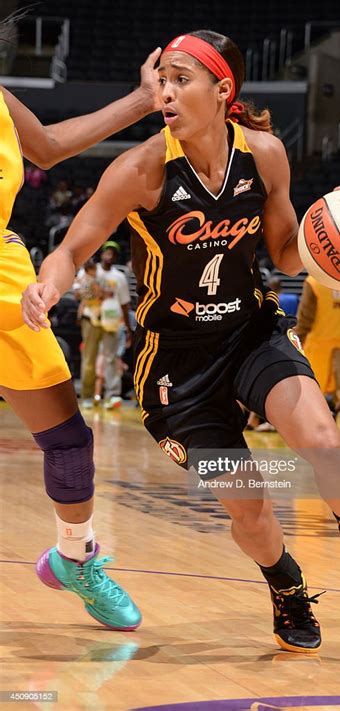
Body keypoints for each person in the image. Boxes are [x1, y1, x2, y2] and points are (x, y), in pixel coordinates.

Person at [22, 30, 340, 654]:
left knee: (324, 441)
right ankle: (287, 584)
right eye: (161, 79)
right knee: (250, 504)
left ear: (223, 91)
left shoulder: (266, 155)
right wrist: (47, 288)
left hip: (251, 332)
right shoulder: (140, 170)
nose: (164, 91)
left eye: (180, 79)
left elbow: (286, 251)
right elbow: (73, 249)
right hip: (175, 365)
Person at [0, 33, 163, 631]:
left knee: (68, 440)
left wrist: (145, 99)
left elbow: (46, 146)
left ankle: (75, 557)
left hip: (5, 275)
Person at [295, 279, 340, 445]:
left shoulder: (315, 282)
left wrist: (295, 339)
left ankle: (315, 432)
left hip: (318, 345)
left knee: (312, 391)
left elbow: (305, 318)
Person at [75, 241, 132, 409]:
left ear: (116, 257)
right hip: (91, 318)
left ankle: (113, 396)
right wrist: (94, 291)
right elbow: (78, 292)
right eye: (107, 251)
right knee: (89, 359)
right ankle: (86, 396)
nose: (110, 255)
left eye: (113, 253)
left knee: (111, 358)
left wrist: (128, 328)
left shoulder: (119, 277)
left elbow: (125, 303)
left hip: (112, 320)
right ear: (102, 253)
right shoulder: (91, 270)